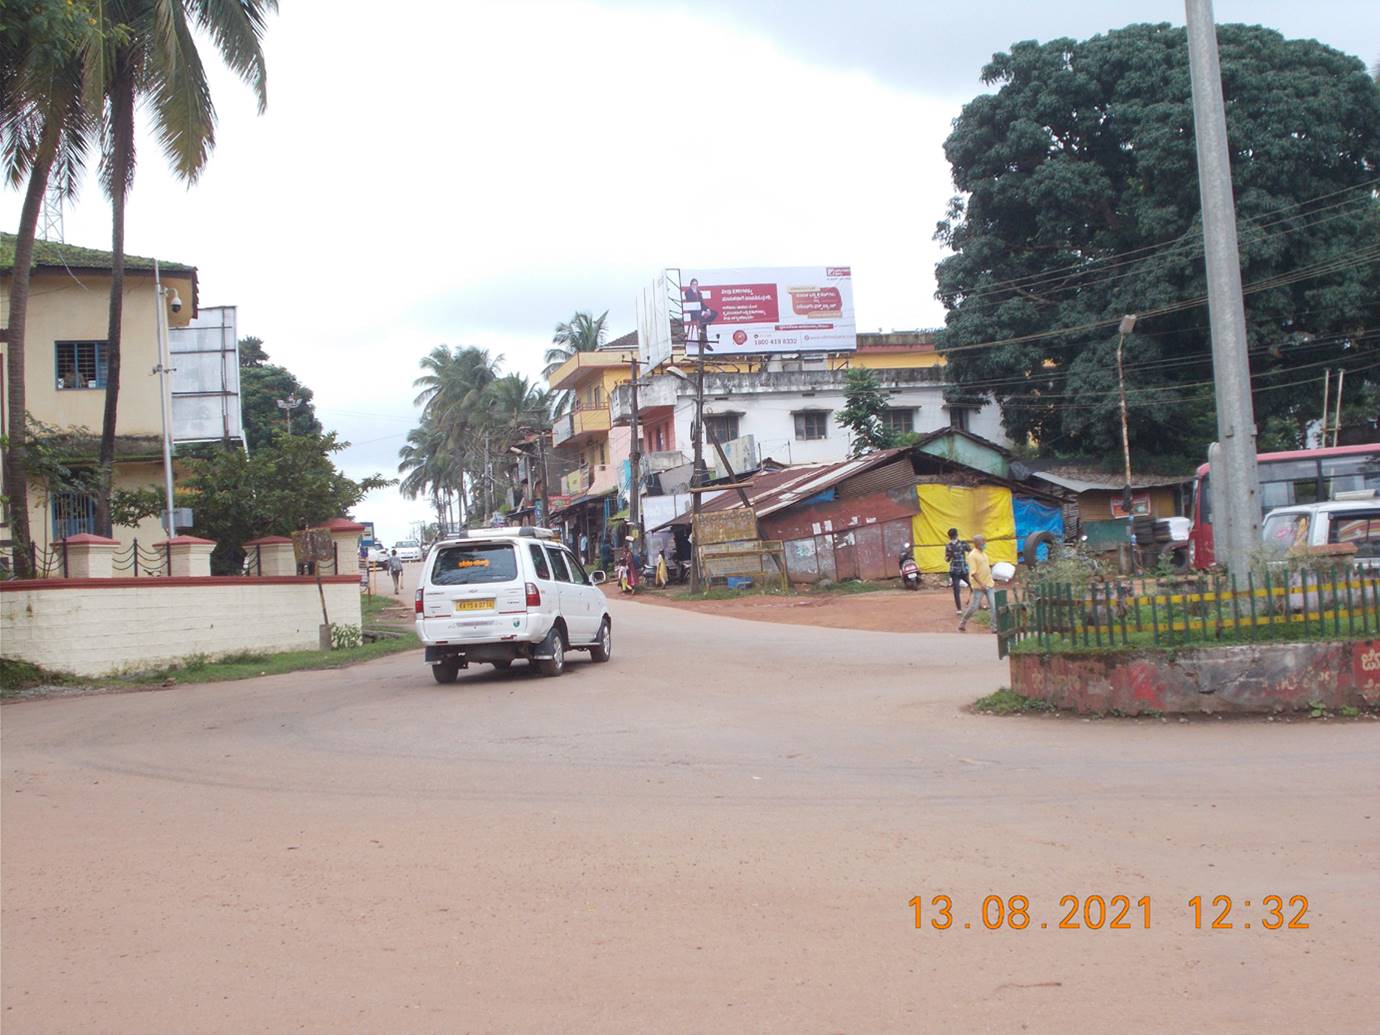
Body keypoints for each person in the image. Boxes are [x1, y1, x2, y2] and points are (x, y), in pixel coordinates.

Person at [957, 534, 996, 633]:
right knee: (974, 607)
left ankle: (994, 627)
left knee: (994, 606)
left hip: (989, 584)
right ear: (977, 543)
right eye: (983, 542)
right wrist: (981, 584)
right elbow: (973, 573)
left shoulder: (984, 554)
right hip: (979, 586)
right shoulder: (972, 555)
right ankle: (963, 622)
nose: (984, 544)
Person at [945, 528, 971, 615]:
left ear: (949, 537)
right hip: (962, 569)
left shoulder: (949, 546)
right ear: (957, 535)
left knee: (957, 590)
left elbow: (946, 560)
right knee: (972, 586)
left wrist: (950, 556)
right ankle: (970, 604)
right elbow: (971, 551)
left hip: (956, 570)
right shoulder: (962, 544)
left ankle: (960, 609)